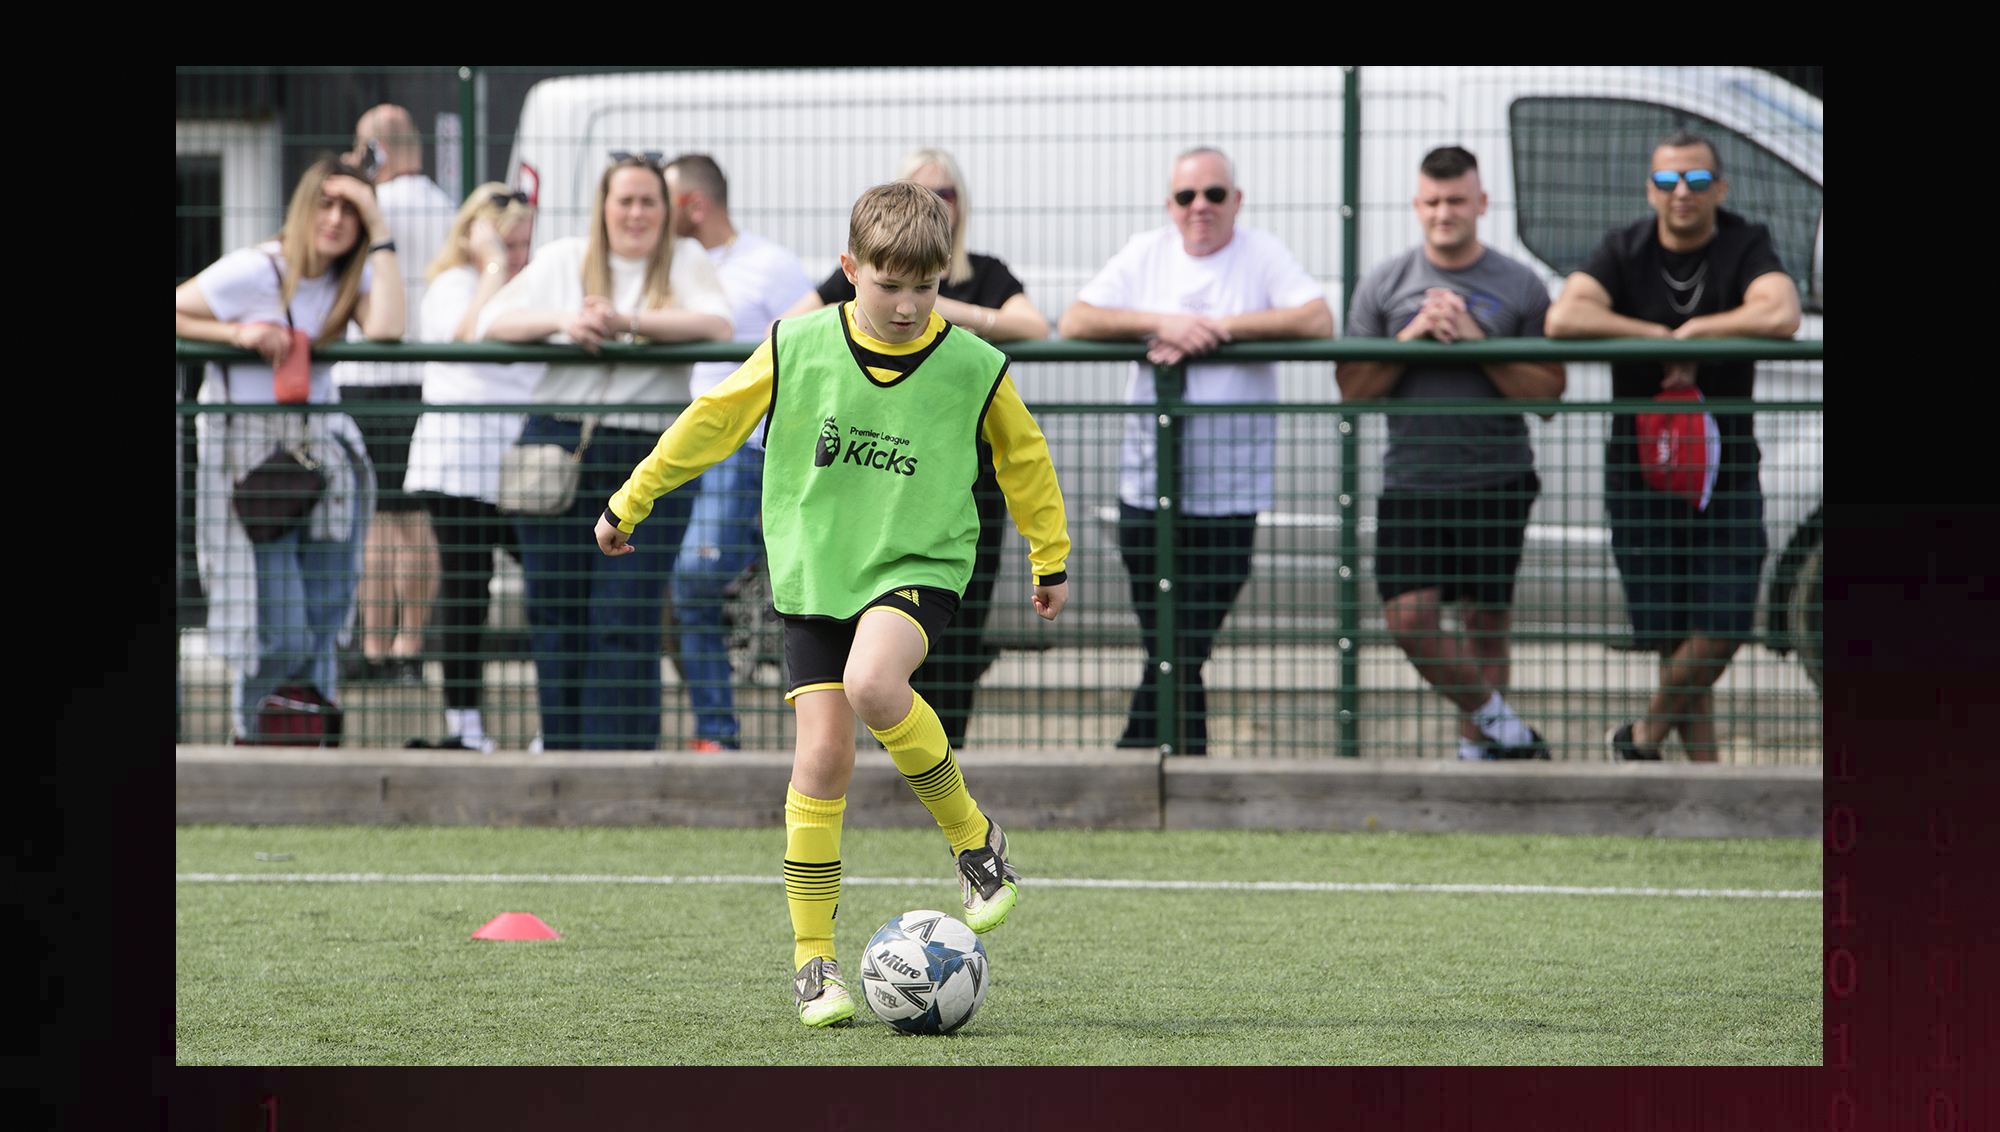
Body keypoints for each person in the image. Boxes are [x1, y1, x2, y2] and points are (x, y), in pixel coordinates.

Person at [596, 182, 1070, 1026]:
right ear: (850, 269)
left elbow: (1024, 458)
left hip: (919, 563)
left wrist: (1050, 554)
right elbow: (712, 420)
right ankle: (813, 964)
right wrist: (632, 498)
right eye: (889, 285)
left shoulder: (974, 365)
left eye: (926, 287)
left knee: (876, 684)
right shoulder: (797, 343)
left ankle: (975, 843)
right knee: (820, 758)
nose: (908, 305)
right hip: (816, 576)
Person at [1058, 146, 1332, 755]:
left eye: (1214, 193)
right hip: (1146, 488)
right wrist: (1165, 322)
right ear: (1170, 205)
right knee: (1172, 646)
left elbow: (1317, 319)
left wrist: (1219, 329)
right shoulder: (1146, 251)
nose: (1200, 206)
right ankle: (1181, 763)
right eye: (1187, 196)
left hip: (1231, 494)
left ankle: (1142, 756)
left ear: (1237, 200)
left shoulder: (1261, 252)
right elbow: (1076, 319)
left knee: (1180, 646)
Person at [1545, 128, 1800, 762]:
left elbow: (1780, 312)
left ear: (1721, 188)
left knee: (1725, 623)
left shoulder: (1745, 241)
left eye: (1696, 179)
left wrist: (1699, 333)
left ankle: (1643, 736)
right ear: (1650, 189)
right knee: (1671, 632)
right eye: (1667, 180)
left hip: (1725, 472)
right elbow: (1565, 317)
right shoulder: (1623, 247)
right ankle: (1702, 777)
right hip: (1642, 473)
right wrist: (1657, 337)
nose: (1681, 191)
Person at [783, 148, 1051, 747]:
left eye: (946, 194)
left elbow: (1036, 326)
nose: (905, 304)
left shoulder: (982, 274)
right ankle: (908, 764)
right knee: (863, 671)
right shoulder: (869, 275)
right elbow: (791, 327)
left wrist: (945, 312)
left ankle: (945, 756)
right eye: (890, 286)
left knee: (954, 632)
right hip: (868, 491)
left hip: (959, 489)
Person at [479, 154, 734, 751]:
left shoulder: (685, 259)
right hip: (558, 447)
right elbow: (492, 321)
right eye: (625, 200)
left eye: (649, 201)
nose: (636, 213)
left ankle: (617, 766)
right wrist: (565, 322)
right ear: (603, 207)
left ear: (667, 210)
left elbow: (718, 324)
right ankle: (563, 760)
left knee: (625, 618)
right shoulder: (564, 258)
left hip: (648, 455)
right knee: (556, 614)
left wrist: (628, 322)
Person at [1337, 146, 1565, 760]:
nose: (1445, 213)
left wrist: (1474, 340)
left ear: (1482, 203)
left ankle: (1477, 755)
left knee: (1485, 622)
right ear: (1416, 205)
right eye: (1433, 202)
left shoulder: (1519, 283)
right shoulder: (1385, 283)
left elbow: (1548, 395)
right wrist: (1411, 337)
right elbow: (1352, 391)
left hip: (1497, 477)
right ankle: (1504, 727)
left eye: (1457, 200)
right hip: (1412, 482)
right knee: (1408, 621)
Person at [175, 154, 405, 742]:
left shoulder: (349, 280)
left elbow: (388, 328)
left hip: (322, 464)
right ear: (302, 207)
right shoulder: (257, 269)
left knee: (324, 620)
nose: (335, 220)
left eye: (351, 211)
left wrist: (380, 226)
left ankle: (308, 745)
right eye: (325, 205)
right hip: (255, 468)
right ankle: (253, 739)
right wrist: (235, 333)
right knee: (277, 627)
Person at [661, 154, 815, 751]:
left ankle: (734, 731)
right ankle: (715, 733)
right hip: (677, 444)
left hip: (742, 448)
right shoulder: (669, 265)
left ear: (694, 205)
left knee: (696, 577)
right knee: (679, 588)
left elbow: (811, 344)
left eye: (663, 198)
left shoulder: (768, 264)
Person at [402, 184, 543, 751]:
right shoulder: (454, 283)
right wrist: (490, 262)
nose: (519, 255)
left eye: (525, 243)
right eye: (510, 243)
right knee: (466, 591)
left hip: (516, 469)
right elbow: (467, 332)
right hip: (457, 467)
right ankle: (464, 726)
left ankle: (556, 722)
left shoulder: (526, 286)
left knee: (550, 579)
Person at [334, 104, 456, 681]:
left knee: (375, 519)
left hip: (364, 376)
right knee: (414, 516)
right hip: (424, 375)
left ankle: (375, 647)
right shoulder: (445, 207)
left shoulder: (366, 204)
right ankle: (410, 646)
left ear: (374, 150)